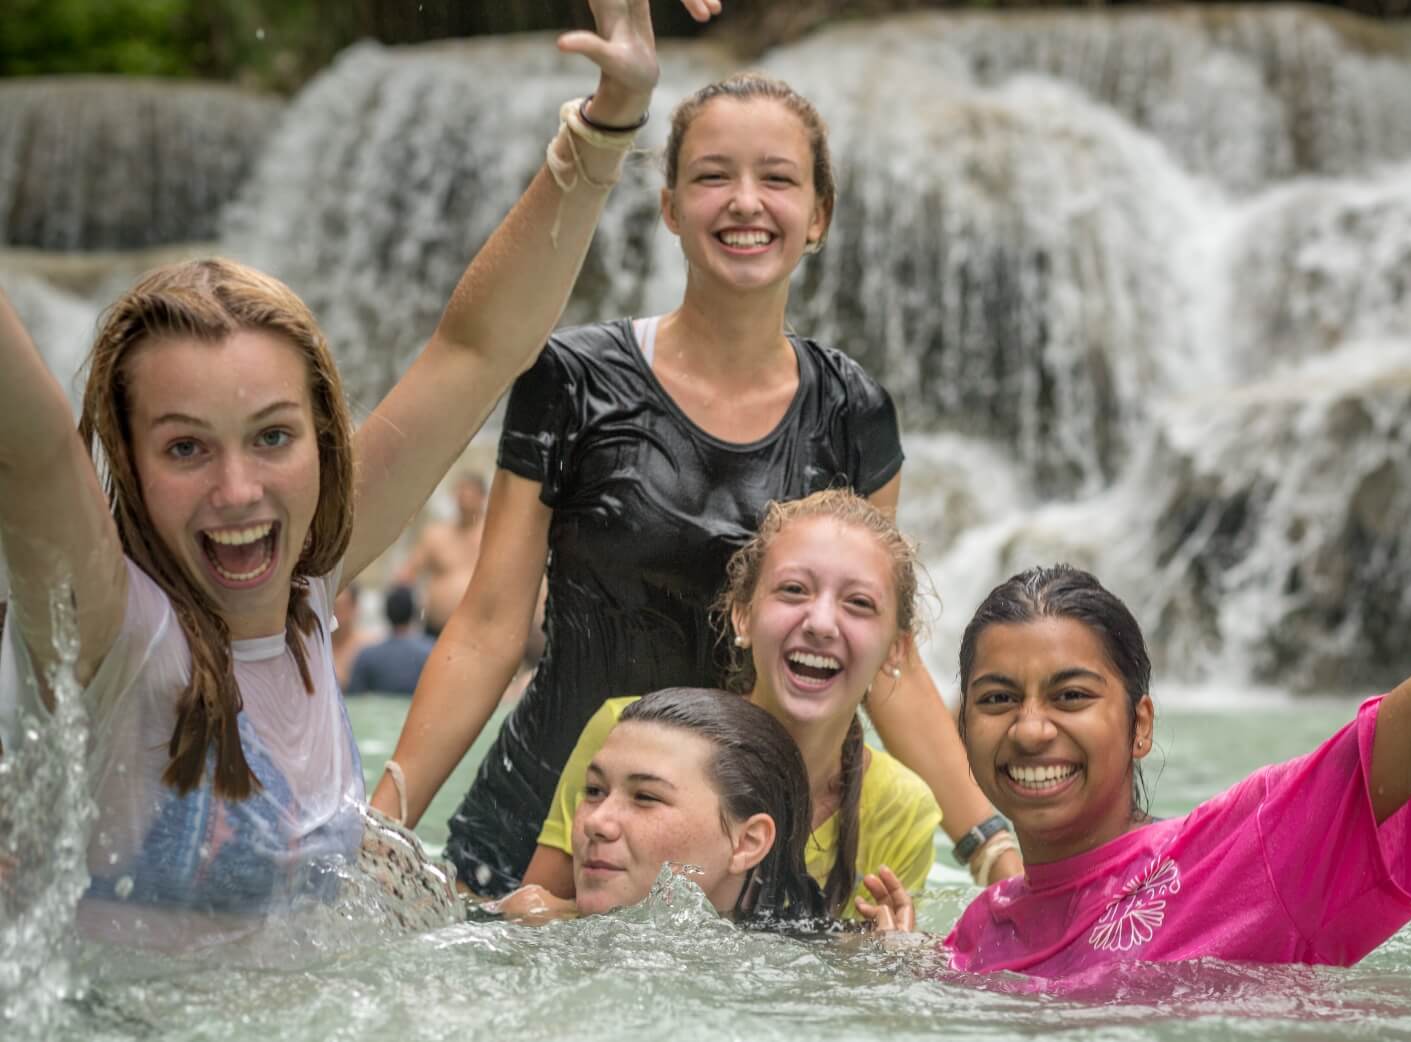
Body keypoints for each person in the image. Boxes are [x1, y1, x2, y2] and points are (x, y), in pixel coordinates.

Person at [0, 0, 721, 949]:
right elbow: (34, 447)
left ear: (322, 445)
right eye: (184, 448)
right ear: (126, 466)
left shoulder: (310, 580)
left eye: (271, 437)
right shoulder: (107, 625)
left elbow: (475, 348)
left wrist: (612, 119)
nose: (238, 491)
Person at [372, 71, 1021, 897]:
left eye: (777, 178)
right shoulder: (572, 379)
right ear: (671, 207)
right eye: (713, 175)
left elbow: (880, 654)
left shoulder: (852, 411)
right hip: (535, 830)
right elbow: (489, 625)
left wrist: (988, 842)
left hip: (723, 865)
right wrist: (384, 822)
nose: (745, 202)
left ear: (817, 215)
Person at [858, 564, 1411, 977]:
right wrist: (906, 963)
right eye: (997, 700)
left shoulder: (1250, 845)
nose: (1031, 729)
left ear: (1140, 725)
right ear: (963, 732)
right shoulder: (976, 930)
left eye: (1070, 696)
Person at [524, 489, 944, 919]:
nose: (820, 623)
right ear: (742, 614)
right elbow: (532, 920)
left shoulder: (899, 806)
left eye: (858, 603)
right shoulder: (629, 736)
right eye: (794, 590)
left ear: (895, 649)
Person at [498, 687, 825, 924]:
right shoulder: (526, 925)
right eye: (595, 790)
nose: (596, 822)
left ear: (747, 843)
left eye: (645, 797)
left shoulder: (830, 968)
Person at [394, 472, 488, 639]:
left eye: (470, 492)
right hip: (435, 628)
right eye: (461, 491)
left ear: (482, 496)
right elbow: (407, 574)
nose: (465, 496)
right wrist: (401, 616)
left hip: (479, 629)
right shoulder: (436, 535)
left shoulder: (492, 535)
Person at [346, 586, 434, 696]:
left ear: (386, 613)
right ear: (413, 613)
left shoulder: (368, 656)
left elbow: (354, 697)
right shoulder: (431, 652)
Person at [331, 583, 371, 687]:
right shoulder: (318, 648)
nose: (339, 614)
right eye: (335, 607)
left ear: (355, 608)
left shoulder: (367, 645)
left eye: (344, 607)